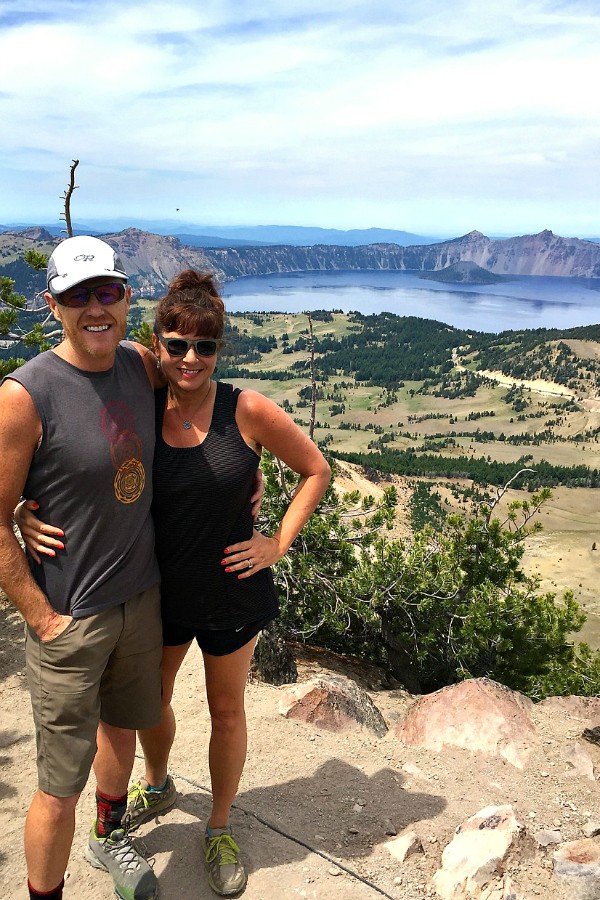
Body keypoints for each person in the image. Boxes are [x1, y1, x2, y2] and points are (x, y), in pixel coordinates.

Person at [18, 269, 332, 897]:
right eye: (178, 345)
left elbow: (316, 469)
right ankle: (157, 784)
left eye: (206, 346)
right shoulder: (137, 394)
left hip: (229, 591)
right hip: (155, 588)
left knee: (226, 710)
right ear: (157, 346)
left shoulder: (246, 408)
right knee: (145, 706)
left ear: (220, 349)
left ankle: (218, 825)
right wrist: (26, 508)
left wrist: (276, 543)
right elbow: (81, 460)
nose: (191, 358)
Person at [0, 235, 167, 900]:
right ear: (53, 305)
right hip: (68, 617)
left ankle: (111, 836)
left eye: (107, 292)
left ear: (126, 297)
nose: (95, 307)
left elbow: (199, 395)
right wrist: (42, 619)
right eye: (77, 296)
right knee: (56, 788)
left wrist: (248, 469)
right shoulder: (26, 394)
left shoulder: (139, 365)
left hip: (138, 600)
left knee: (121, 730)